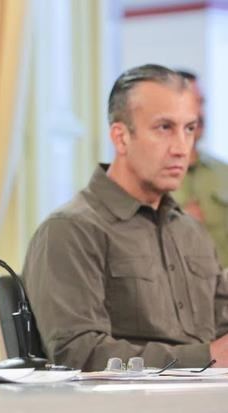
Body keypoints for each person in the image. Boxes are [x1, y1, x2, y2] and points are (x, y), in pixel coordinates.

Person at [22, 64, 228, 371]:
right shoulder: (70, 230)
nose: (182, 148)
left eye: (189, 128)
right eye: (164, 128)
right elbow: (77, 354)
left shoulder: (191, 232)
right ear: (121, 138)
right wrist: (205, 357)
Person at [172, 70, 228, 269]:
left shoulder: (224, 173)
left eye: (202, 103)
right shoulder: (143, 179)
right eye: (191, 103)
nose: (200, 113)